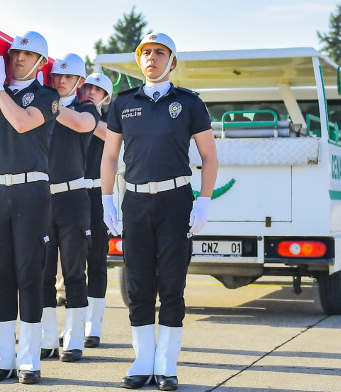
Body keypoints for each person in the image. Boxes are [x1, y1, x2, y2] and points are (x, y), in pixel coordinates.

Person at [101, 33, 217, 391]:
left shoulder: (189, 103)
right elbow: (109, 156)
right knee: (137, 285)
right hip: (134, 202)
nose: (151, 57)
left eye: (159, 52)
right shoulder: (122, 103)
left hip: (175, 202)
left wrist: (204, 200)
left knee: (171, 284)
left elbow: (210, 156)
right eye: (146, 52)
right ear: (139, 61)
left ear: (172, 62)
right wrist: (107, 199)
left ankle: (166, 365)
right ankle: (142, 361)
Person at [0, 31, 60, 385]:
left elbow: (23, 123)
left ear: (40, 62)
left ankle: (28, 359)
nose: (18, 58)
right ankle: (2, 357)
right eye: (14, 53)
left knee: (29, 275)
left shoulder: (47, 96)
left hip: (30, 191)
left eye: (27, 55)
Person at [39, 54, 98, 363]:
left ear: (79, 82)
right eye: (56, 77)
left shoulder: (84, 108)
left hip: (73, 198)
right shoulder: (42, 106)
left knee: (74, 271)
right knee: (43, 274)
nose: (60, 81)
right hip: (41, 199)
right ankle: (48, 339)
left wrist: (46, 104)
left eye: (67, 77)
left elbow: (80, 123)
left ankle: (74, 338)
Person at [80, 72, 113, 349]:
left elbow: (109, 136)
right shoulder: (73, 112)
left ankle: (95, 325)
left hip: (99, 193)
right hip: (75, 192)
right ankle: (77, 323)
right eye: (88, 86)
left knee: (97, 261)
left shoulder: (109, 120)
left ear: (106, 96)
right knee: (74, 260)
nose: (91, 91)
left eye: (97, 89)